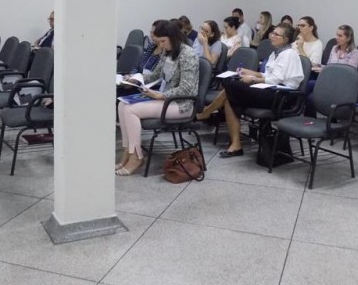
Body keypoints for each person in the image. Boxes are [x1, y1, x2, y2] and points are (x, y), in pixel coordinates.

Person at [196, 23, 303, 157]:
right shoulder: (276, 53)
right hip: (270, 90)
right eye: (272, 33)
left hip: (282, 96)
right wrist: (251, 73)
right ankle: (235, 145)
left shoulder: (289, 54)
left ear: (285, 39)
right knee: (230, 96)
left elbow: (276, 79)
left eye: (276, 34)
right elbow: (268, 75)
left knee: (231, 85)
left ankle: (207, 112)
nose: (271, 36)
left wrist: (253, 79)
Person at [116, 20, 199, 175]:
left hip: (181, 104)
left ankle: (136, 156)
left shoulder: (188, 54)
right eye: (159, 41)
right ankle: (128, 151)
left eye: (163, 41)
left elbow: (187, 88)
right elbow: (155, 75)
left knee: (130, 110)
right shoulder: (167, 52)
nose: (160, 45)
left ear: (173, 37)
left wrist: (161, 95)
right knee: (122, 105)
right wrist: (136, 79)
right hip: (165, 99)